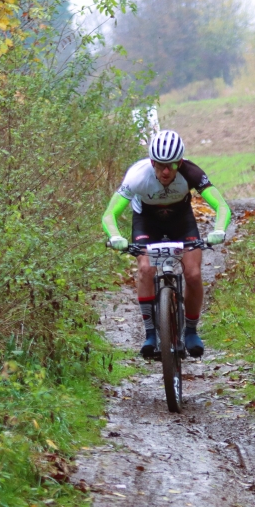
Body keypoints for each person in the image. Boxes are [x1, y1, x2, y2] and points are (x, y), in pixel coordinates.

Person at [102, 130, 232, 359]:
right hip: (146, 222)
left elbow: (221, 206)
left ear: (180, 162)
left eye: (172, 165)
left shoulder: (191, 172)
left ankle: (191, 331)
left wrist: (219, 230)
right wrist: (115, 237)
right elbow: (109, 214)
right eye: (160, 165)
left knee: (192, 274)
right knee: (145, 269)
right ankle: (151, 334)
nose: (165, 171)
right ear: (152, 162)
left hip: (181, 222)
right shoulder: (137, 177)